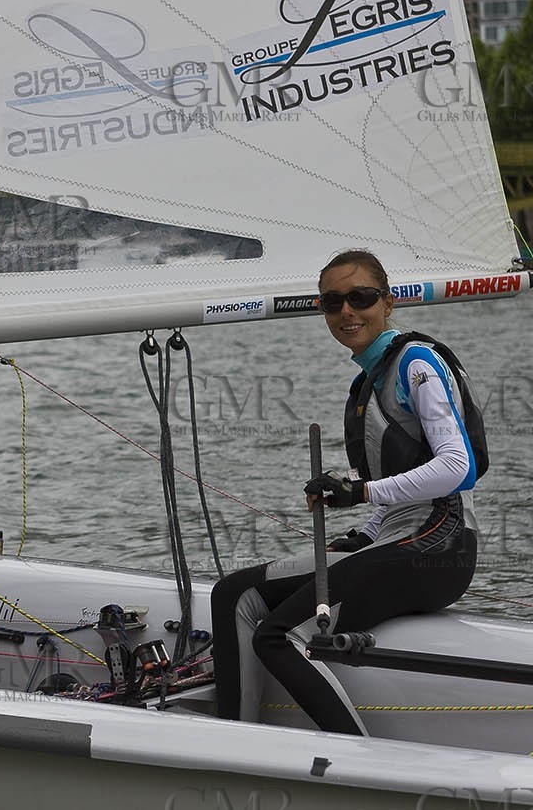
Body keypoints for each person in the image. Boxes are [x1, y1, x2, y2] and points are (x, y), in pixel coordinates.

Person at [209, 248, 481, 733]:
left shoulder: (416, 363)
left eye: (361, 297)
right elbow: (399, 489)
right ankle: (233, 738)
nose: (347, 311)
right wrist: (364, 532)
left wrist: (359, 492)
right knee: (233, 594)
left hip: (440, 545)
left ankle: (357, 756)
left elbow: (458, 468)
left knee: (278, 636)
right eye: (333, 302)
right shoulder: (366, 381)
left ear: (388, 302)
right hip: (396, 537)